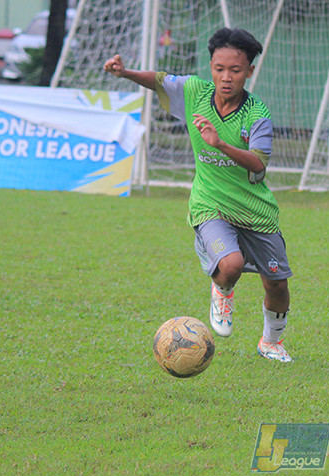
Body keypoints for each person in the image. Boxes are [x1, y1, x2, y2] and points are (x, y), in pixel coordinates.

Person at [103, 28, 294, 363]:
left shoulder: (257, 114)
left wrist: (219, 143)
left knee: (277, 285)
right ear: (211, 67)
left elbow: (259, 165)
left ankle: (271, 343)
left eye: (235, 70)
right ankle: (222, 290)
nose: (226, 77)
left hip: (256, 211)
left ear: (249, 72)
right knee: (230, 265)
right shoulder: (194, 91)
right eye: (219, 68)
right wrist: (125, 73)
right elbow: (160, 80)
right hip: (210, 204)